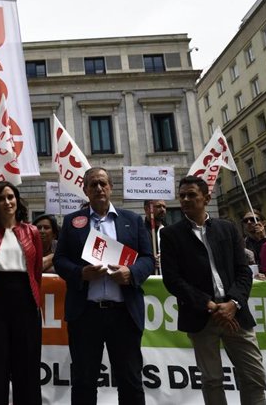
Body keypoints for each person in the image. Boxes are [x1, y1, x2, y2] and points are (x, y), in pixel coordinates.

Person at [160, 176, 266, 405]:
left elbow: (243, 271)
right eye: (182, 195)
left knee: (254, 376)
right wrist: (209, 305)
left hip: (236, 316)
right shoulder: (170, 235)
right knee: (212, 380)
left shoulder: (227, 229)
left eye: (191, 195)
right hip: (201, 317)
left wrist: (232, 304)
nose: (185, 200)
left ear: (206, 198)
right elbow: (172, 279)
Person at [53, 167, 154, 404]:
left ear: (110, 187)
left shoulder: (132, 220)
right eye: (93, 184)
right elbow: (59, 260)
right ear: (86, 190)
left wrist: (131, 273)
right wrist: (80, 273)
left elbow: (148, 258)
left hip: (124, 313)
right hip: (86, 313)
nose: (98, 188)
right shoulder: (72, 222)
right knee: (84, 381)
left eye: (103, 183)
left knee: (130, 381)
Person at [0, 181, 43, 404]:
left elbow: (37, 271)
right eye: (1, 198)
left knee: (27, 364)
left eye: (11, 197)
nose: (7, 202)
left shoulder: (32, 232)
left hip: (26, 300)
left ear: (17, 200)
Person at [144, 200, 167, 274]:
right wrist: (150, 261)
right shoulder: (139, 231)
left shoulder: (169, 231)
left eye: (164, 207)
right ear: (147, 209)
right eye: (158, 206)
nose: (162, 209)